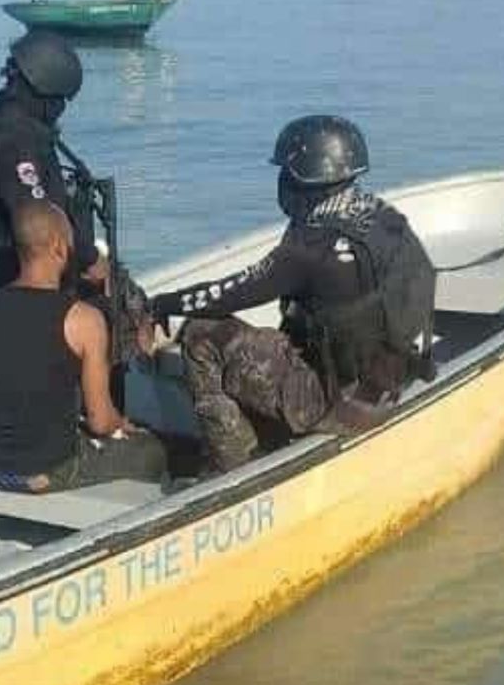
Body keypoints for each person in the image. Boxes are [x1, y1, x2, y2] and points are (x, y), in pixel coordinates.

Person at [148, 115, 436, 474]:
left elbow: (232, 292)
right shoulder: (386, 219)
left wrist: (164, 304)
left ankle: (232, 466)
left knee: (201, 333)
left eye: (285, 173)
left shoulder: (308, 248)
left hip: (335, 404)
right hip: (392, 383)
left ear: (300, 179)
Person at [0, 200, 166, 492]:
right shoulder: (82, 319)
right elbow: (100, 422)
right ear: (59, 246)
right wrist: (121, 423)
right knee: (153, 452)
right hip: (48, 472)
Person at [0, 29, 107, 293]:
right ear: (45, 91)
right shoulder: (16, 138)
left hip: (4, 263)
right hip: (33, 272)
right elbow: (36, 217)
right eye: (59, 100)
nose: (60, 109)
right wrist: (90, 259)